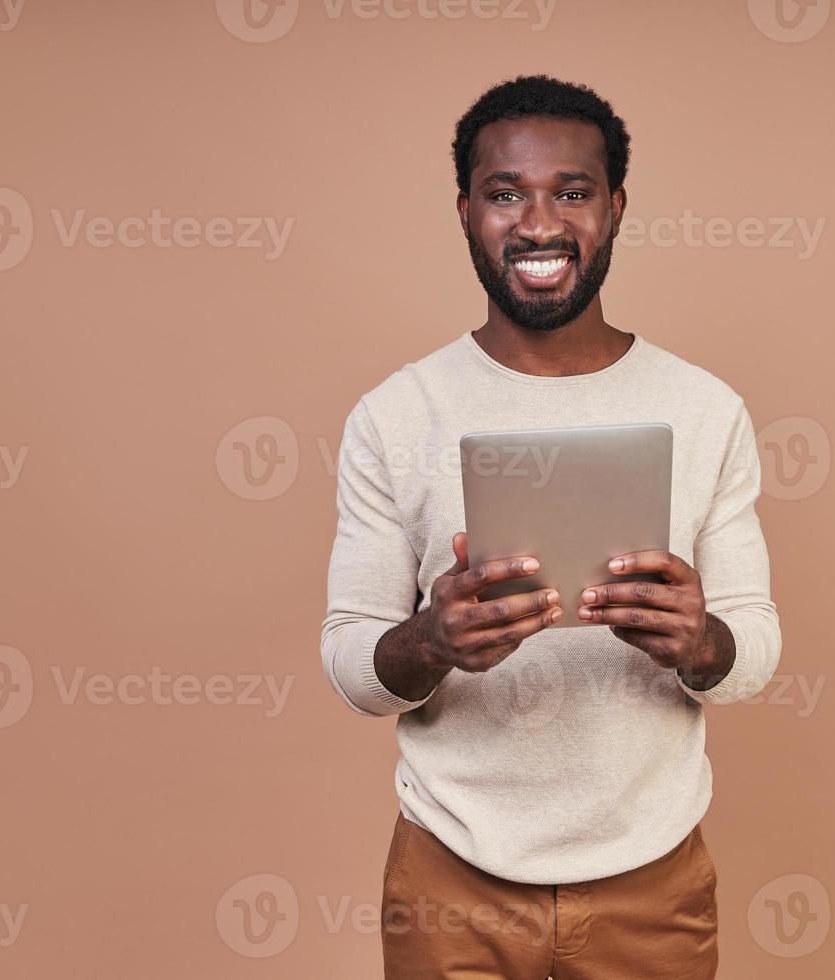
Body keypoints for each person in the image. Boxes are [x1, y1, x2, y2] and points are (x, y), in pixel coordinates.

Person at [320, 74, 781, 979]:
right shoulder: (395, 414)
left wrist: (700, 642)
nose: (538, 225)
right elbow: (352, 664)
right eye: (505, 194)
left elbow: (752, 651)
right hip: (452, 877)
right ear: (464, 212)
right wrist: (430, 639)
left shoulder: (706, 409)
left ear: (613, 207)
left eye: (571, 193)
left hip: (653, 878)